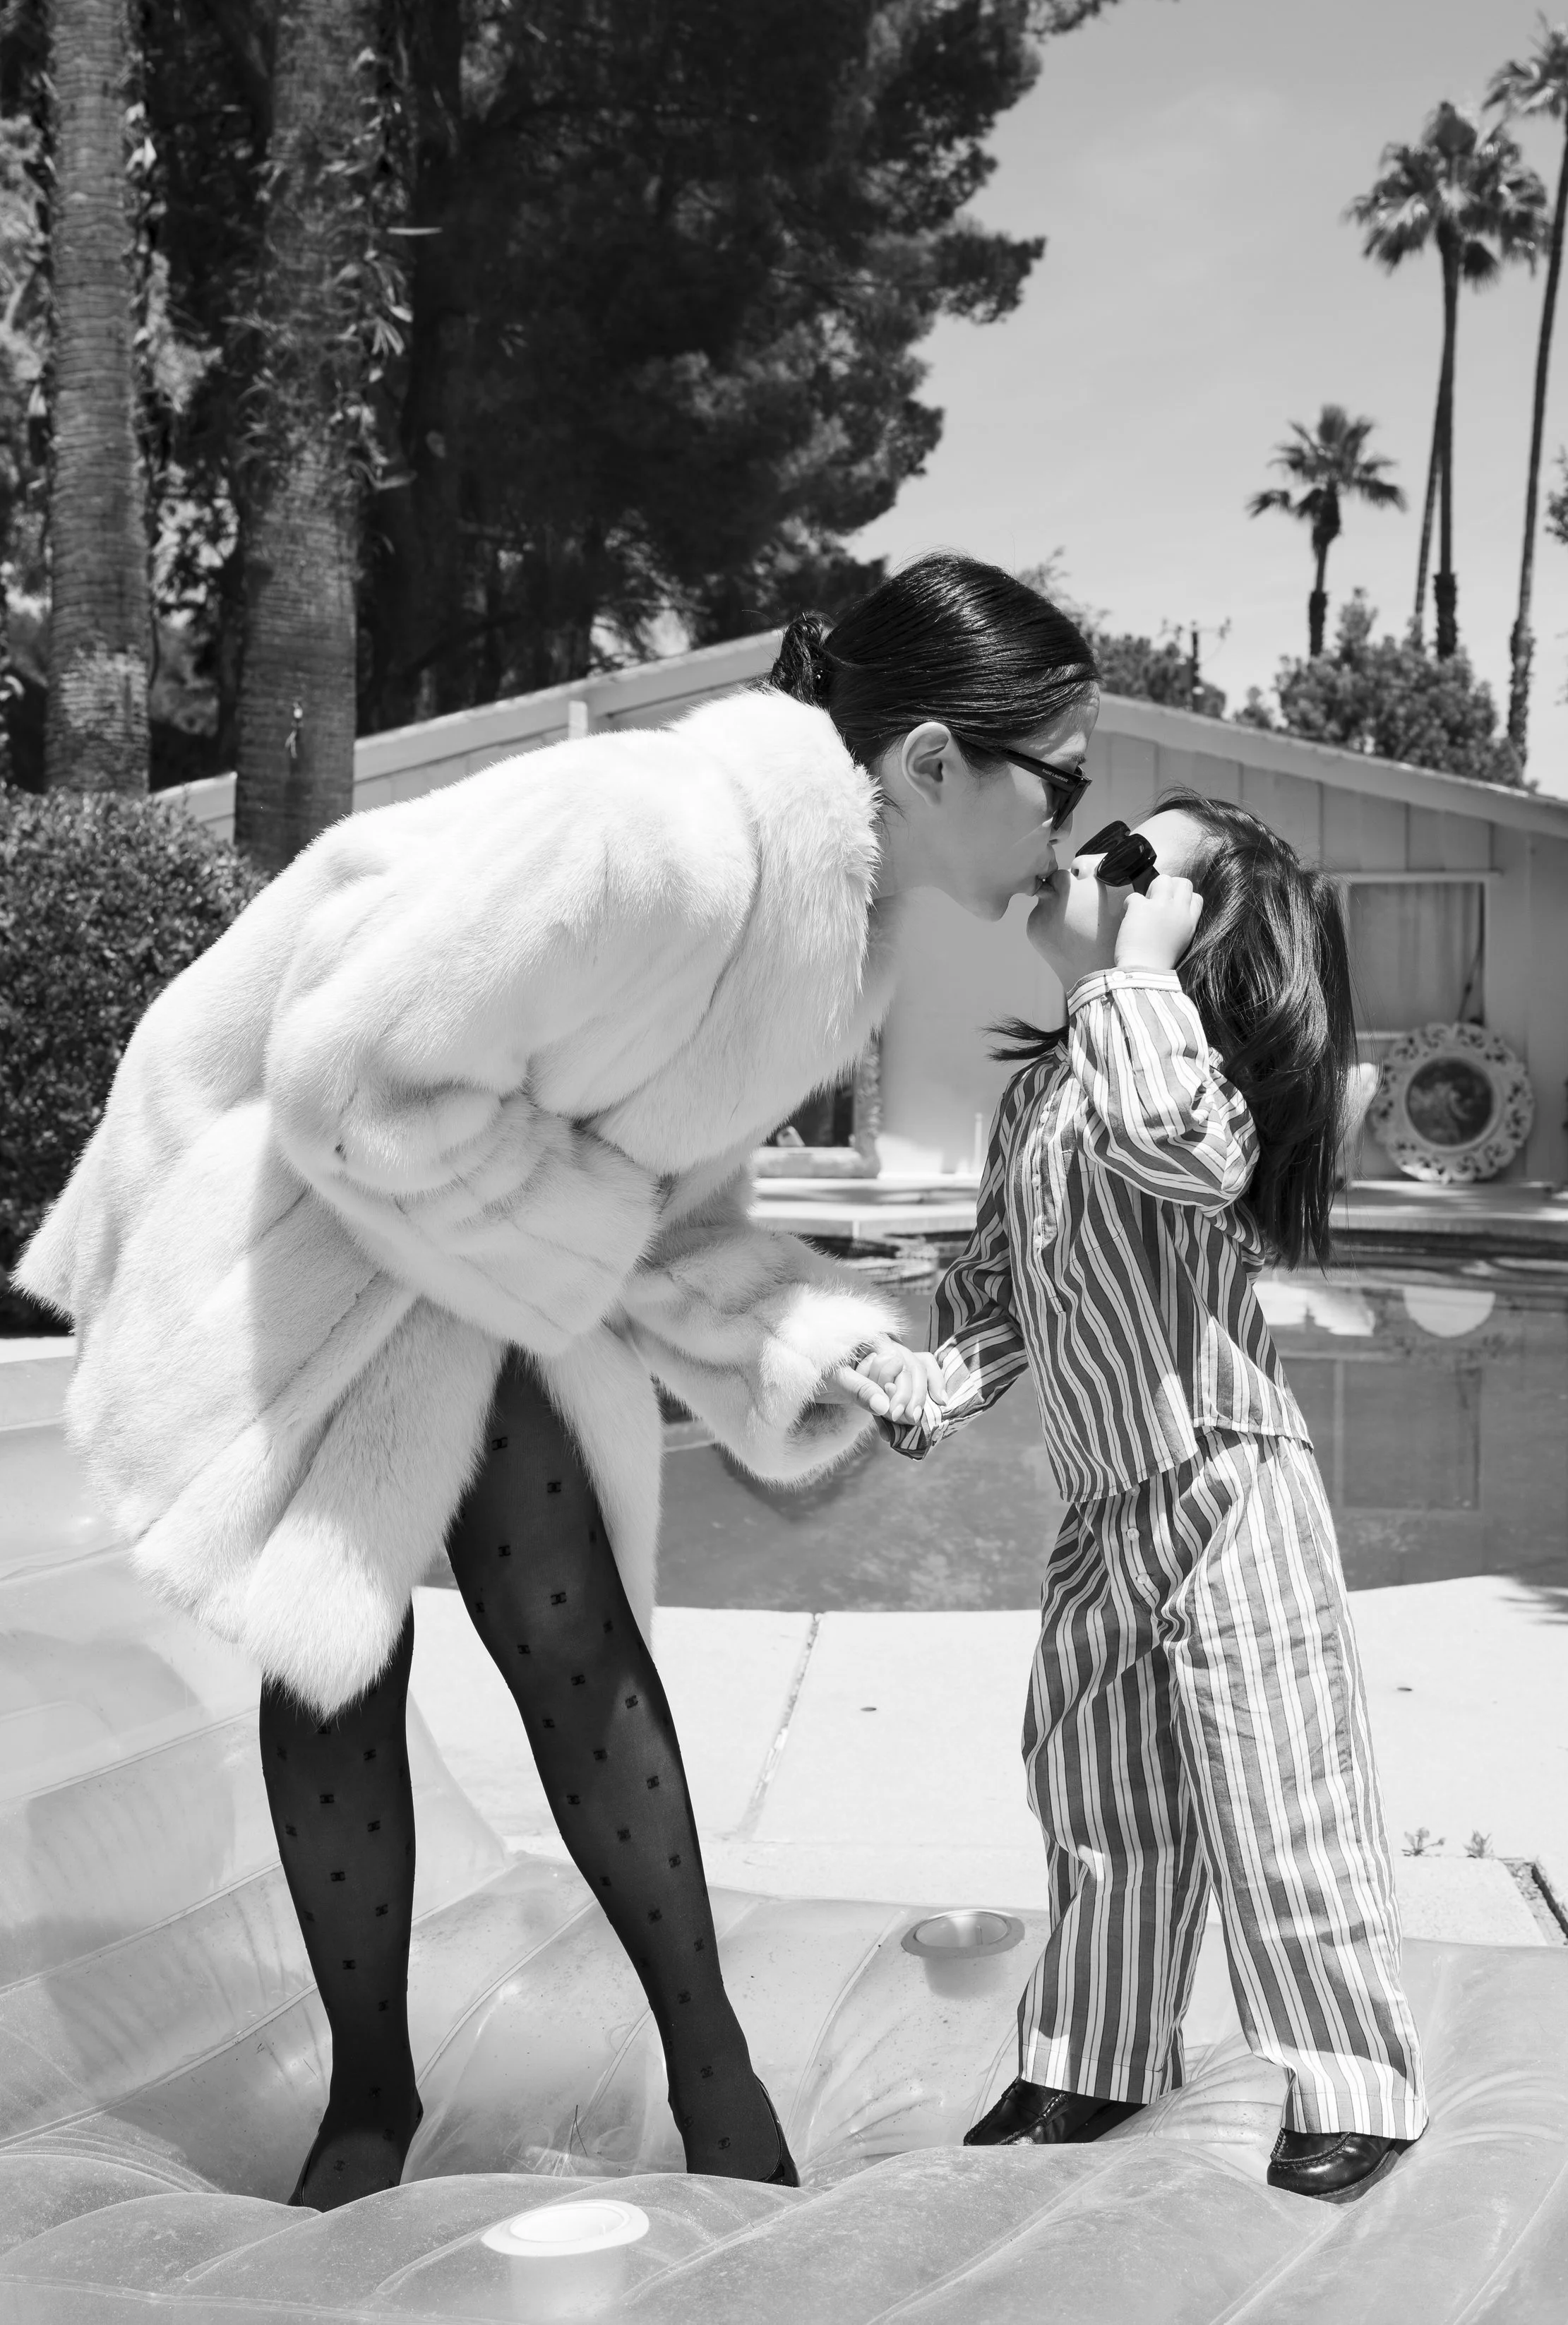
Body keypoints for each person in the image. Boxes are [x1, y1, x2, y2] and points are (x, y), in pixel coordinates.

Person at [16, 554, 1099, 2209]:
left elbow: (668, 1212)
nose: (1071, 824)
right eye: (1059, 779)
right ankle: (386, 2098)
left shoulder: (841, 935)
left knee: (558, 1615)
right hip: (282, 1196)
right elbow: (355, 1071)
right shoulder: (652, 836)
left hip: (451, 1204)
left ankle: (702, 2075)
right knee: (347, 1634)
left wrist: (828, 1343)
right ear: (932, 763)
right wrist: (577, 1251)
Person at [875, 786, 1428, 2202]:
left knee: (1275, 1798)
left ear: (1187, 940)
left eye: (1133, 866)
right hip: (1101, 1512)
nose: (1086, 860)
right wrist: (927, 1386)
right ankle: (1093, 2060)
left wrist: (1134, 981)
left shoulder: (1186, 1088)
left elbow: (1178, 1152)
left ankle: (1352, 2080)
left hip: (1227, 1489)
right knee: (1094, 1798)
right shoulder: (1040, 1096)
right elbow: (1003, 1295)